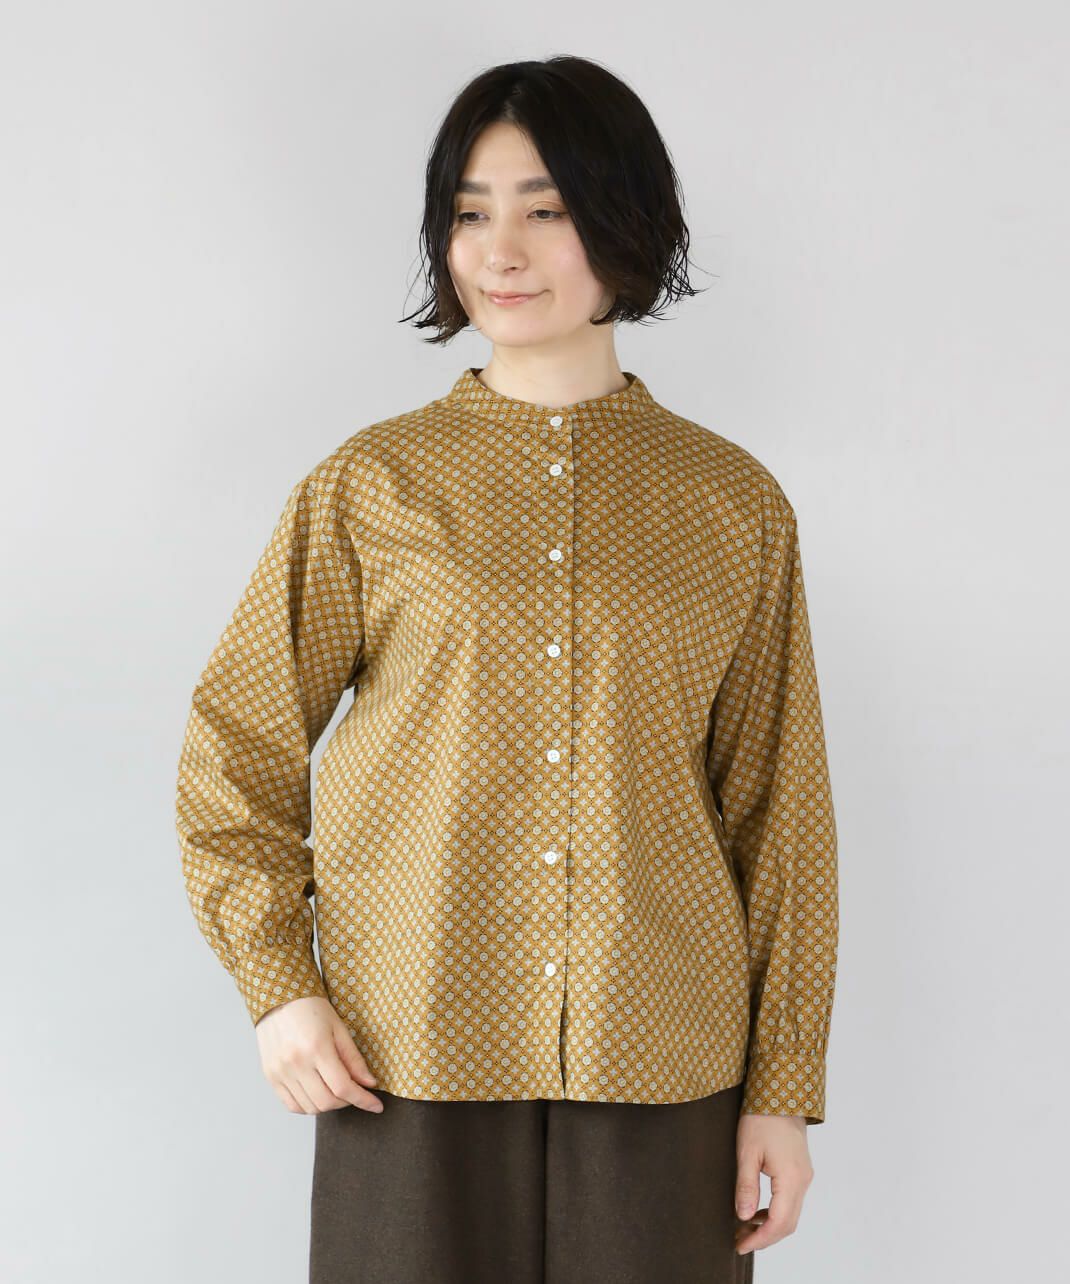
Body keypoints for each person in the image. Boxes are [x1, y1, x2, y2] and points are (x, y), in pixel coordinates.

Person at [175, 55, 839, 1284]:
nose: (501, 251)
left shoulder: (730, 502)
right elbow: (236, 747)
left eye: (545, 208)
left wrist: (781, 1087)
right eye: (469, 213)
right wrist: (278, 986)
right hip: (405, 1050)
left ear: (625, 221)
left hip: (665, 1056)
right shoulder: (369, 486)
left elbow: (778, 810)